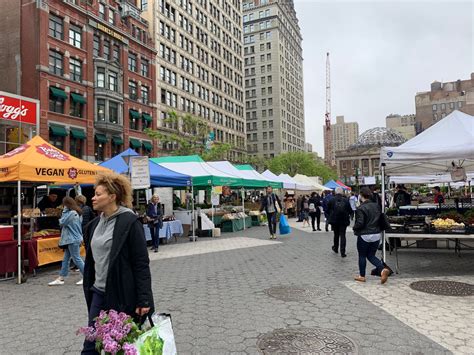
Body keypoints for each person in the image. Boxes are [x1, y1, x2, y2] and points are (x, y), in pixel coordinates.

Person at [81, 172, 154, 354]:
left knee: (120, 345)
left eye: (98, 194)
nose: (93, 198)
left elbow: (141, 263)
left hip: (122, 294)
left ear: (112, 197)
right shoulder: (94, 224)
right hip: (98, 292)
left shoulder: (129, 222)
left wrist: (144, 299)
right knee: (91, 346)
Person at [353, 187, 390, 284]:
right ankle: (382, 269)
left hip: (365, 234)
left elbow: (360, 223)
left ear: (361, 196)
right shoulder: (377, 206)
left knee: (362, 255)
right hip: (376, 234)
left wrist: (354, 227)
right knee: (371, 255)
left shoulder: (360, 208)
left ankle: (362, 276)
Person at [48, 197, 84, 286]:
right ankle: (61, 278)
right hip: (73, 238)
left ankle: (87, 276)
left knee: (76, 258)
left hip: (72, 239)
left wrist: (64, 210)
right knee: (66, 259)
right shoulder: (76, 212)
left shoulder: (72, 213)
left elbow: (62, 222)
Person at [327, 187, 352, 257]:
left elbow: (327, 210)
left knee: (336, 235)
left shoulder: (331, 200)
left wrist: (330, 216)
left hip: (334, 221)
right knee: (343, 235)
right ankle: (343, 252)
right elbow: (350, 210)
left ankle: (335, 248)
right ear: (342, 192)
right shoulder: (346, 200)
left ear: (335, 192)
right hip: (344, 221)